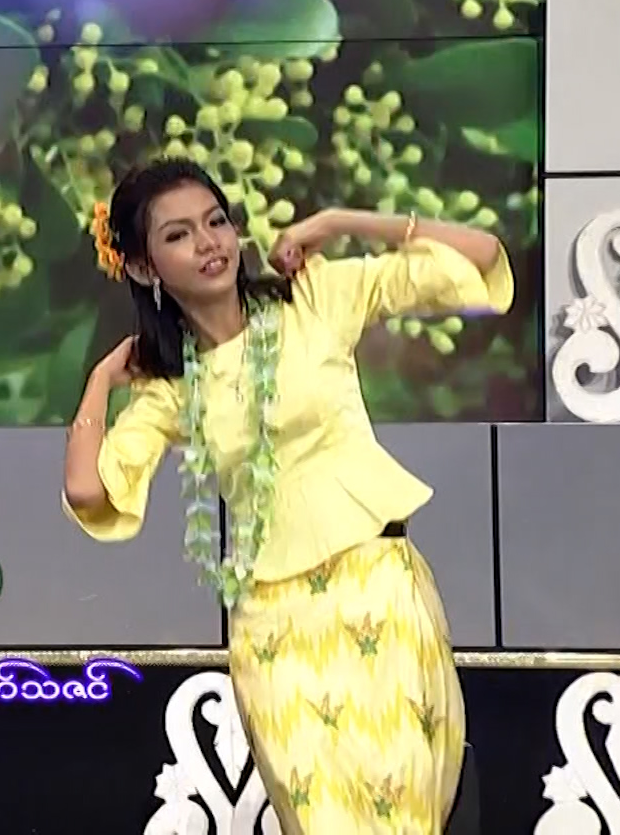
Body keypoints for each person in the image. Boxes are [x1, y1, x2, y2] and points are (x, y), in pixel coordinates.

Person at [61, 158, 512, 832]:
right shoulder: (171, 389)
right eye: (179, 235)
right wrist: (100, 381)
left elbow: (482, 259)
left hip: (375, 589)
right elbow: (87, 490)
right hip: (272, 626)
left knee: (402, 812)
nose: (209, 243)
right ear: (144, 267)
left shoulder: (314, 300)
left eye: (216, 221)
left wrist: (340, 220)